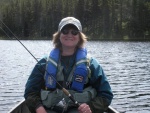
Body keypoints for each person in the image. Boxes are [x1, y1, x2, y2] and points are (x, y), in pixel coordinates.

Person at [24, 17, 113, 113]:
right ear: (59, 35)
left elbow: (106, 95)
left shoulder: (92, 64)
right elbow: (30, 92)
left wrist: (90, 107)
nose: (69, 35)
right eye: (65, 31)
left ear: (80, 37)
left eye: (74, 32)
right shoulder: (44, 63)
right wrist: (39, 108)